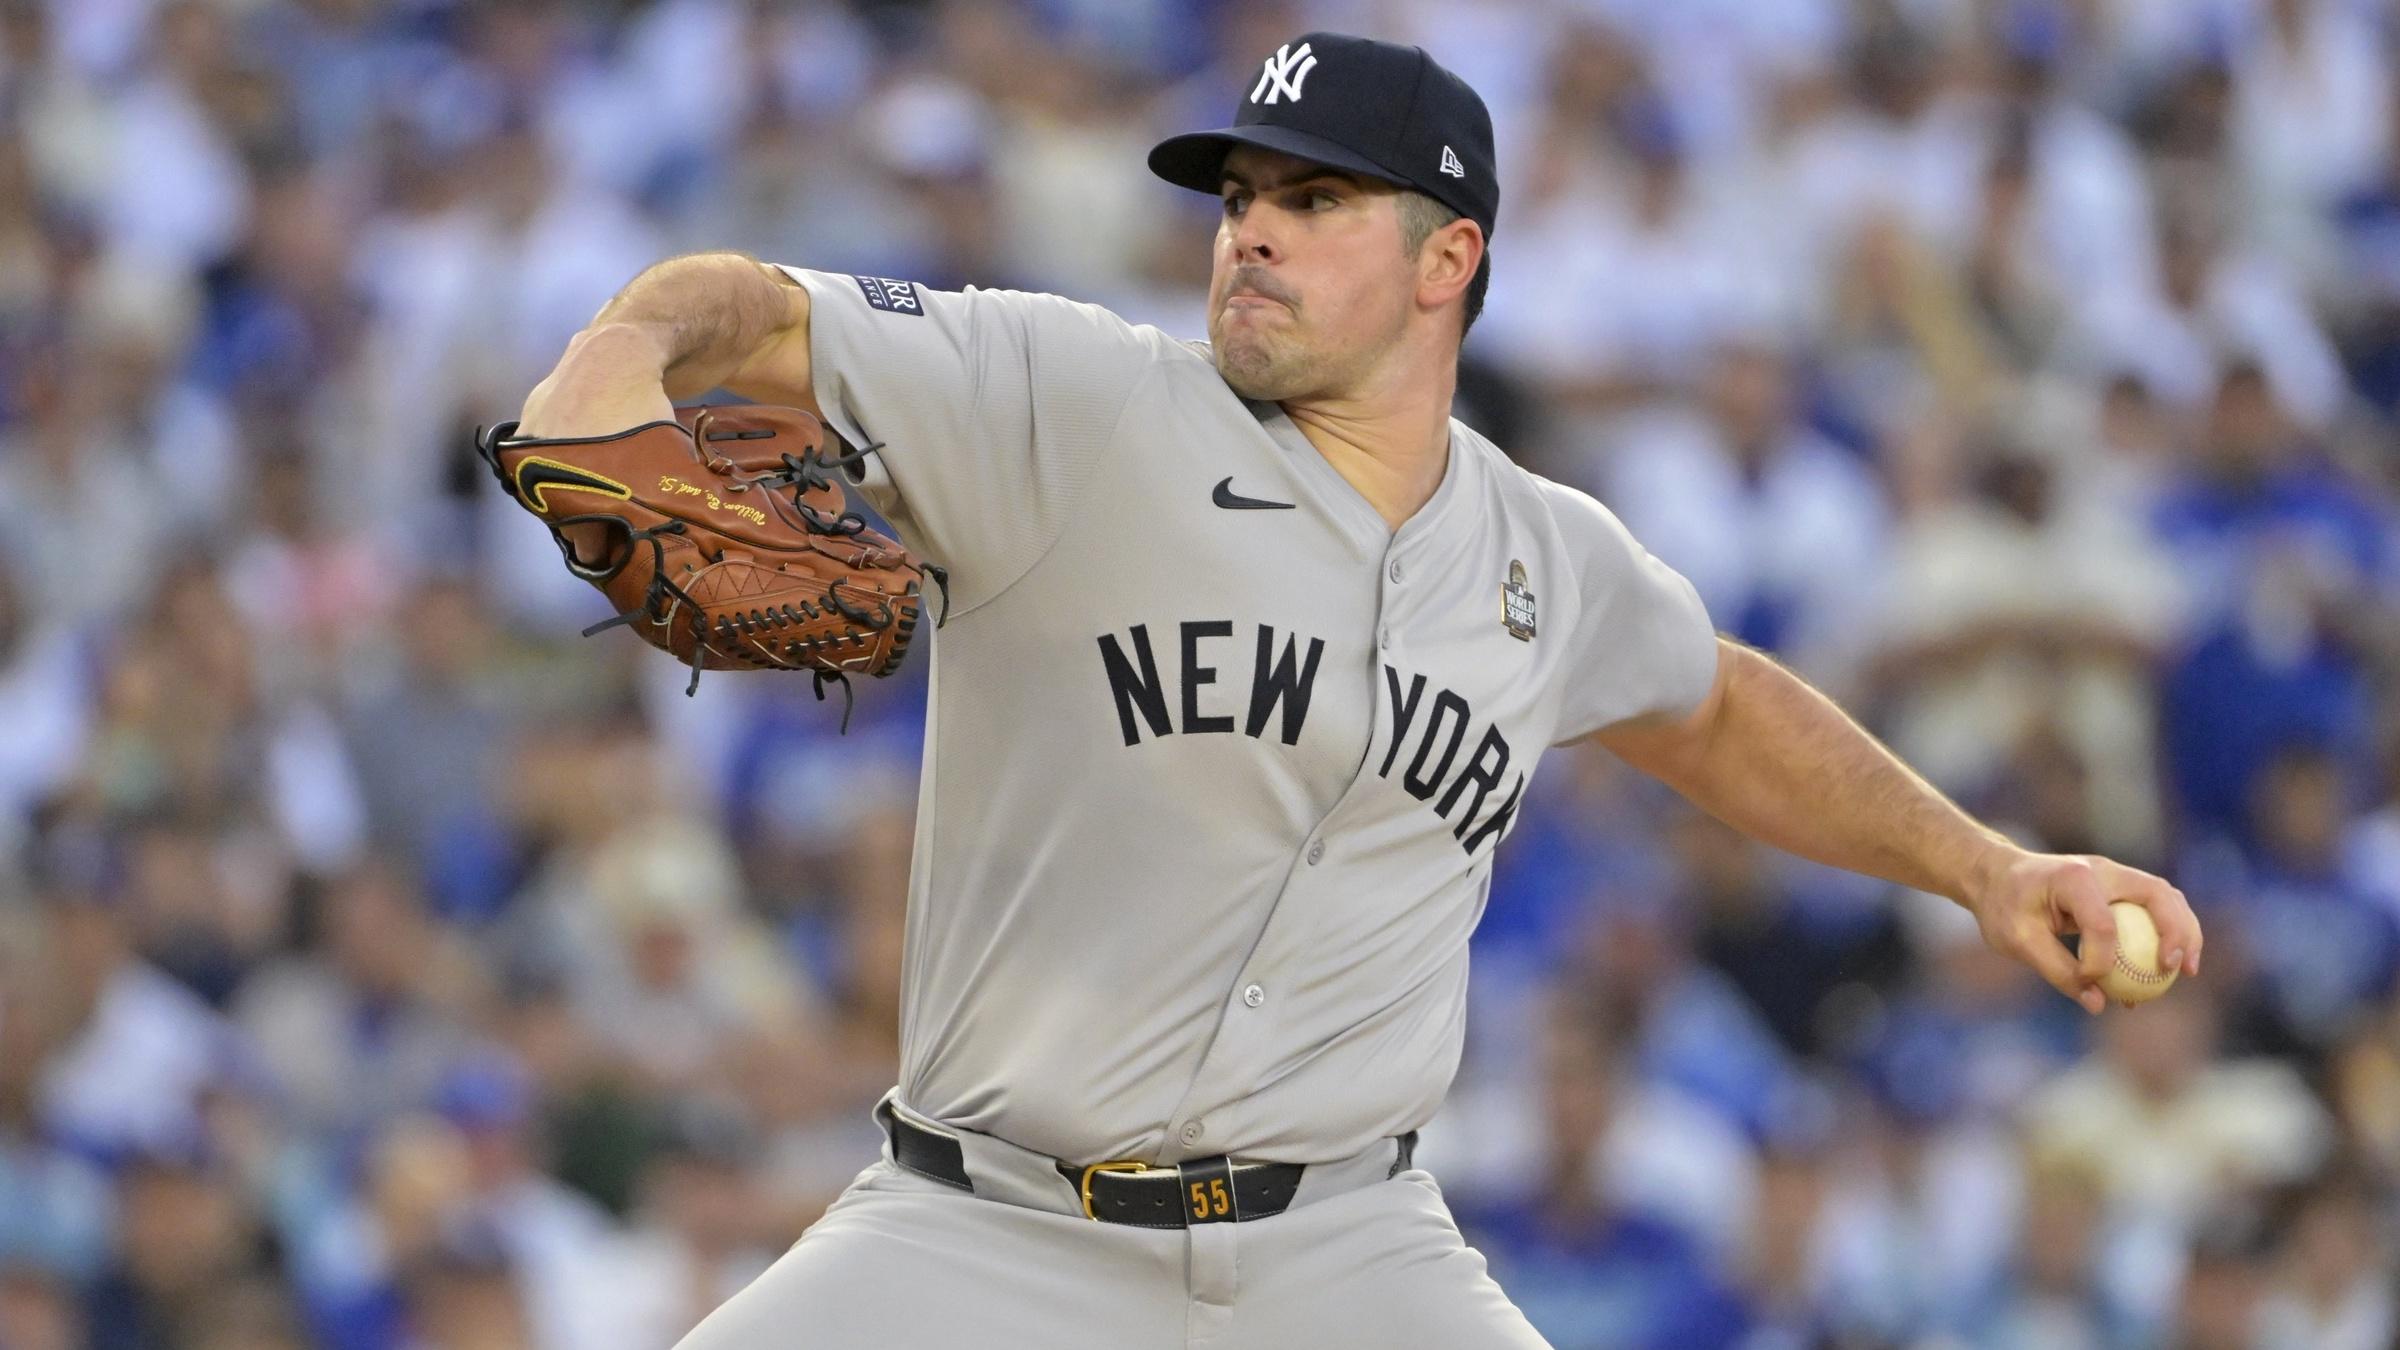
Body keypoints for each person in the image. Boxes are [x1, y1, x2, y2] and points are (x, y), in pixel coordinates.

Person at [509, 31, 2204, 1349]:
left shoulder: (1547, 554)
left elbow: (1714, 708)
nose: (1249, 232)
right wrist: (616, 355)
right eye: (1240, 194)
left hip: (1346, 1251)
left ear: (1445, 259)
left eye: (1312, 201)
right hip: (983, 1229)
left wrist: (1991, 868)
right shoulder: (1073, 400)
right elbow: (739, 307)